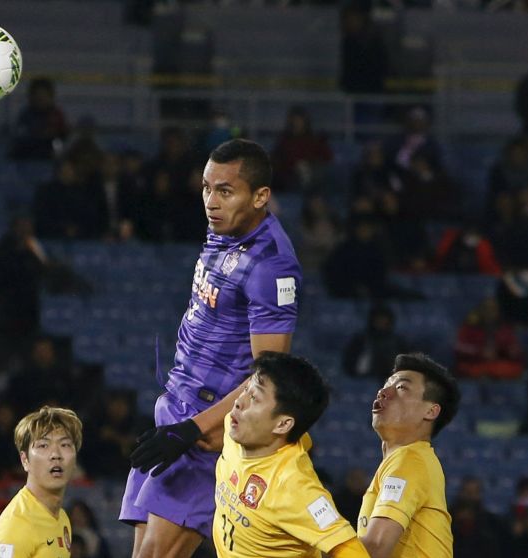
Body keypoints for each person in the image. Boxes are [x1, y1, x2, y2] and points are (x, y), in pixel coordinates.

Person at [122, 139, 302, 557]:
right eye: (206, 187)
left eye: (225, 191)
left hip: (205, 431)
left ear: (260, 197)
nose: (211, 202)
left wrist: (197, 428)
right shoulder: (223, 229)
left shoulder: (272, 265)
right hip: (176, 408)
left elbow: (271, 375)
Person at [213, 352, 369, 557]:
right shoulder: (235, 429)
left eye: (254, 397)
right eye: (245, 389)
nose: (239, 402)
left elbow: (349, 549)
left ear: (283, 424)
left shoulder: (294, 487)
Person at [358, 352, 461, 558]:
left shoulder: (410, 459)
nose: (383, 392)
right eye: (387, 384)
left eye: (401, 387)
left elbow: (376, 546)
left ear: (430, 412)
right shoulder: (408, 460)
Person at [0, 406, 82, 558]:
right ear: (25, 460)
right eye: (43, 445)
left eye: (65, 445)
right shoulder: (14, 527)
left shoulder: (62, 517)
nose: (55, 454)